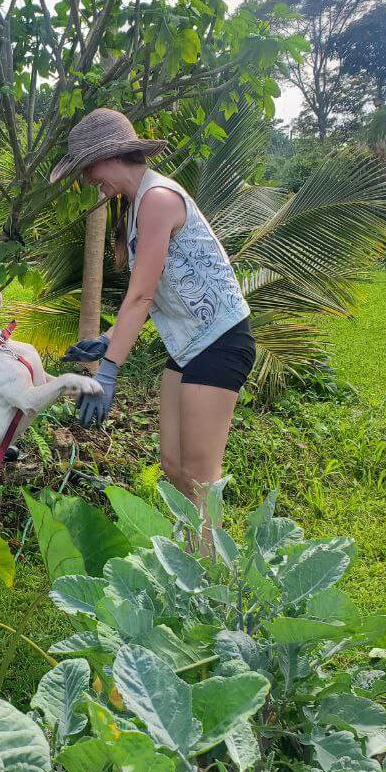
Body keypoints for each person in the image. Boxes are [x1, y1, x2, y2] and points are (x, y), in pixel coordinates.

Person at [53, 108, 255, 508]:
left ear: (107, 157)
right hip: (188, 347)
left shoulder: (157, 199)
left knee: (200, 479)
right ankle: (188, 560)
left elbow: (141, 295)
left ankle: (208, 567)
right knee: (172, 465)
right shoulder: (135, 205)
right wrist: (105, 340)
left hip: (220, 343)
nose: (89, 179)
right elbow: (154, 291)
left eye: (88, 169)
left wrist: (109, 371)